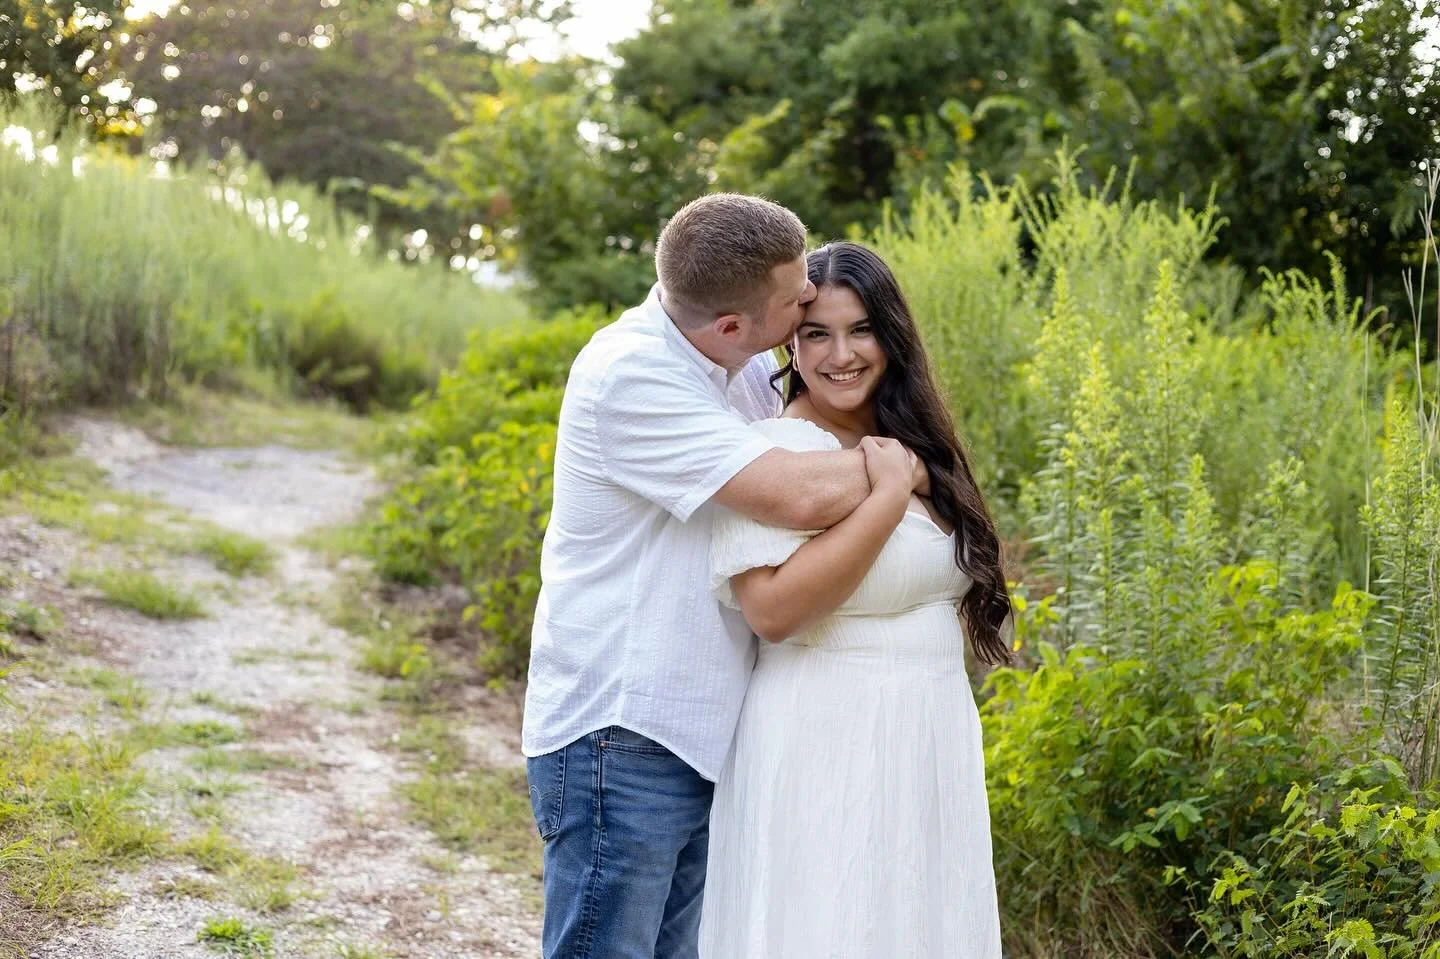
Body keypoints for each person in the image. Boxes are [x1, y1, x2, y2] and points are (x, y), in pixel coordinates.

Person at [522, 197, 929, 959]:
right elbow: (796, 491)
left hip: (699, 734)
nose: (810, 294)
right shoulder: (632, 376)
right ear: (736, 325)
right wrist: (908, 469)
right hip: (623, 732)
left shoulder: (729, 364)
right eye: (797, 299)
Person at [698, 241, 1012, 958]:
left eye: (862, 328)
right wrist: (888, 493)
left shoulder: (910, 442)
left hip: (928, 731)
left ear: (892, 336)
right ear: (791, 342)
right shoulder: (774, 452)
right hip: (824, 736)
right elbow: (772, 612)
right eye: (817, 333)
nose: (842, 354)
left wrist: (907, 473)